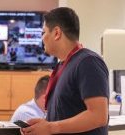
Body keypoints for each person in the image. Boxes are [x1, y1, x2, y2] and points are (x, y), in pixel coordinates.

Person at [22, 7, 109, 135]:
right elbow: (65, 115)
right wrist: (42, 126)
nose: (42, 38)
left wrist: (50, 128)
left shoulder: (88, 62)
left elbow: (98, 116)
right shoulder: (61, 66)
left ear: (57, 33)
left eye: (43, 32)